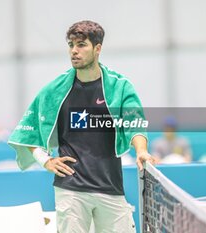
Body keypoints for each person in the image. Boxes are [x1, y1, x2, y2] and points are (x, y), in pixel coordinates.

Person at [8, 20, 156, 233]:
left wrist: (141, 151)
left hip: (111, 187)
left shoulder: (120, 86)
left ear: (98, 49)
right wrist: (45, 161)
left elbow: (134, 123)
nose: (74, 51)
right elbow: (27, 131)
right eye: (71, 45)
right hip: (71, 189)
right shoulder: (55, 90)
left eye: (81, 45)